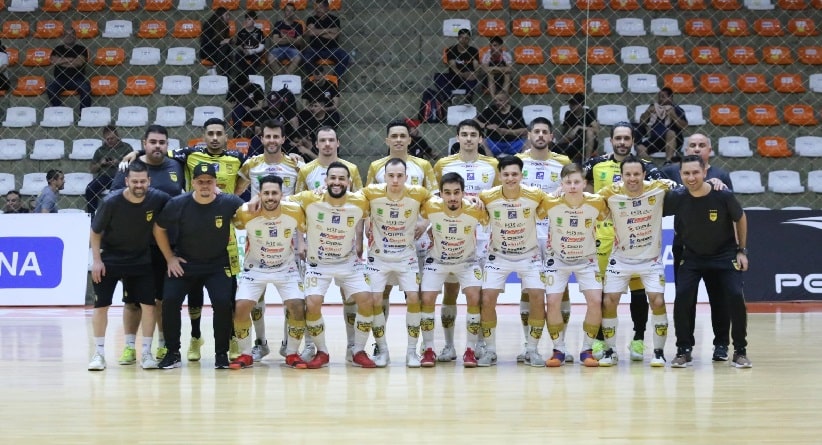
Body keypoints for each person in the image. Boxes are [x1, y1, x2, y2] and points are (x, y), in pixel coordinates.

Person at [122, 118, 245, 361]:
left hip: (225, 235)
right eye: (210, 133)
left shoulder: (237, 158)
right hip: (192, 231)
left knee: (227, 296)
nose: (214, 138)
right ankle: (195, 339)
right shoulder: (190, 155)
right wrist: (135, 152)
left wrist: (229, 196)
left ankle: (230, 340)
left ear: (225, 136)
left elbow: (248, 178)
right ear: (204, 135)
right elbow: (158, 150)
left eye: (219, 133)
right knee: (193, 295)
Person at [583, 123, 665, 361]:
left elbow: (670, 187)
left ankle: (638, 340)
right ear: (611, 140)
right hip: (602, 236)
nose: (621, 142)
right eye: (617, 138)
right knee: (603, 295)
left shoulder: (645, 167)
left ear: (632, 141)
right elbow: (575, 181)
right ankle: (601, 341)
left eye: (626, 138)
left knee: (639, 292)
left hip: (636, 237)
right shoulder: (595, 164)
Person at [153, 163, 245, 369]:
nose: (205, 185)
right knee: (169, 300)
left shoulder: (228, 201)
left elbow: (250, 210)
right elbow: (159, 229)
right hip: (185, 263)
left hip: (216, 264)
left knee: (223, 303)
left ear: (215, 183)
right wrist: (170, 258)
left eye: (209, 182)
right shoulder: (178, 203)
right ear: (193, 182)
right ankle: (173, 352)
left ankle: (221, 354)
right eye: (200, 182)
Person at [663, 155, 752, 369]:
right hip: (691, 256)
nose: (691, 177)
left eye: (695, 172)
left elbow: (740, 218)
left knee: (733, 296)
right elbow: (652, 210)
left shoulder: (722, 195)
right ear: (680, 175)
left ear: (705, 172)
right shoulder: (676, 197)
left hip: (724, 255)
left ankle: (738, 350)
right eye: (686, 173)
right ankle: (684, 350)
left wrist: (742, 250)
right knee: (683, 297)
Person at [110, 125, 186, 361]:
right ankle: (130, 346)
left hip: (168, 245)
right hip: (138, 246)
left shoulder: (177, 165)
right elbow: (115, 202)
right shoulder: (130, 166)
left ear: (167, 145)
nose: (157, 146)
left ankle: (163, 345)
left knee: (163, 300)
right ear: (144, 143)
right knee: (132, 300)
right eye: (153, 142)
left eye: (162, 142)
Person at [87, 162, 171, 371]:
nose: (139, 185)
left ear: (149, 181)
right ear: (127, 181)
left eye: (143, 181)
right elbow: (95, 232)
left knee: (149, 306)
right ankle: (98, 354)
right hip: (110, 260)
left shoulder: (157, 198)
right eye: (135, 181)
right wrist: (96, 261)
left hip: (140, 260)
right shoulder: (111, 202)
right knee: (101, 306)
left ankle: (146, 353)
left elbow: (181, 203)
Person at [289, 161, 372, 368]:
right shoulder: (310, 197)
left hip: (348, 262)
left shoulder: (360, 201)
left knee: (367, 300)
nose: (337, 182)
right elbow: (281, 202)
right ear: (325, 181)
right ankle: (322, 352)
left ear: (349, 182)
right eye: (333, 178)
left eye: (341, 178)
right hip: (319, 264)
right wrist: (255, 198)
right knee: (313, 303)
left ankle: (358, 350)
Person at [598, 156, 675, 367]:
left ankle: (658, 352)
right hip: (620, 259)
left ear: (643, 174)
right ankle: (610, 350)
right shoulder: (610, 192)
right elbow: (585, 199)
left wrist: (714, 183)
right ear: (621, 176)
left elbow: (686, 186)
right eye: (628, 175)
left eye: (636, 174)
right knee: (609, 301)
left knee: (657, 301)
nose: (632, 179)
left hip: (650, 260)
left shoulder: (659, 188)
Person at [235, 120, 302, 363]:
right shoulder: (251, 165)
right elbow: (236, 191)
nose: (272, 140)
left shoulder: (295, 165)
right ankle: (260, 343)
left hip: (289, 234)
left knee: (292, 296)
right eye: (267, 136)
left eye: (276, 136)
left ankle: (288, 344)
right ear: (261, 139)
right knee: (255, 296)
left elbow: (303, 197)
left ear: (283, 139)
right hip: (257, 233)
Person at [433, 119, 498, 362]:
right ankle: (449, 346)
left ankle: (479, 343)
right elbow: (434, 198)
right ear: (457, 138)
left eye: (473, 134)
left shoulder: (492, 165)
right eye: (464, 134)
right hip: (452, 236)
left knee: (478, 294)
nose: (469, 138)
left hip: (482, 237)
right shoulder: (443, 164)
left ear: (481, 139)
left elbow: (500, 197)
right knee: (450, 292)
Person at [477, 156, 550, 367]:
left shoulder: (535, 195)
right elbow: (474, 205)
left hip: (529, 255)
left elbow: (554, 202)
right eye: (506, 174)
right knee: (488, 297)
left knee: (537, 295)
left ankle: (531, 350)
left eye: (514, 174)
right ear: (499, 176)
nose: (510, 178)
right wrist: (475, 200)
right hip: (498, 255)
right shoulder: (487, 196)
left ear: (522, 175)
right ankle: (490, 350)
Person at [229, 175, 308, 369]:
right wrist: (250, 202)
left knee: (298, 306)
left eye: (274, 193)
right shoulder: (246, 212)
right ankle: (246, 354)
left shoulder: (295, 211)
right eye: (266, 193)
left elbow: (311, 205)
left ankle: (291, 353)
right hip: (254, 268)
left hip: (286, 268)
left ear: (282, 194)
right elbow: (231, 220)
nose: (270, 197)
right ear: (259, 194)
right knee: (240, 307)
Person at [365, 120, 437, 330]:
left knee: (416, 292)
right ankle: (380, 342)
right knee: (381, 292)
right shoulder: (376, 167)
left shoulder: (423, 165)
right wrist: (370, 224)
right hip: (385, 240)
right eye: (394, 136)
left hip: (416, 239)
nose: (398, 140)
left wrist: (424, 224)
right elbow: (367, 200)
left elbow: (434, 199)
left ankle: (423, 344)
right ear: (387, 140)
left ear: (409, 139)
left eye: (402, 136)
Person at [361, 158, 431, 367]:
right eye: (391, 175)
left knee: (413, 298)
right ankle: (382, 350)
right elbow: (348, 199)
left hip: (406, 257)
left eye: (399, 176)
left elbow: (440, 202)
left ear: (406, 177)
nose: (395, 180)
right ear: (384, 176)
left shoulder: (418, 193)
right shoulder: (371, 191)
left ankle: (411, 352)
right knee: (374, 301)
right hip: (378, 257)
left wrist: (425, 223)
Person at [515, 117, 572, 363]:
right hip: (526, 232)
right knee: (528, 288)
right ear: (529, 135)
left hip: (556, 232)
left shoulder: (563, 163)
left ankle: (561, 345)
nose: (540, 135)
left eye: (544, 132)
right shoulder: (519, 163)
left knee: (562, 287)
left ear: (551, 137)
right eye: (536, 131)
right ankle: (530, 345)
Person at [541, 163, 609, 368]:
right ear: (561, 184)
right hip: (557, 259)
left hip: (586, 259)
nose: (572, 186)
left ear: (584, 183)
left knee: (596, 301)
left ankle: (587, 349)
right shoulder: (549, 201)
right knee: (552, 302)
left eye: (576, 182)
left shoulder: (596, 203)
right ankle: (559, 349)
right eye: (568, 182)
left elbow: (611, 213)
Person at [419, 173, 488, 367]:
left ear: (463, 193)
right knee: (427, 299)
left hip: (467, 262)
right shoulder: (431, 206)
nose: (452, 198)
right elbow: (416, 197)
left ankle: (470, 350)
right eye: (447, 193)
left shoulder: (475, 209)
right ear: (439, 194)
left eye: (457, 193)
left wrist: (478, 199)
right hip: (438, 261)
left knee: (475, 297)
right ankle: (429, 349)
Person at [295, 126, 362, 193]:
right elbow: (298, 201)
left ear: (338, 143)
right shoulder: (305, 170)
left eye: (331, 140)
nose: (327, 144)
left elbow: (360, 199)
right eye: (322, 140)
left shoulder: (352, 169)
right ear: (316, 144)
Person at [85, 126, 134, 214]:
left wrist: (118, 163)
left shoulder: (126, 147)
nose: (110, 141)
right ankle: (92, 216)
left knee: (117, 193)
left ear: (117, 136)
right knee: (89, 189)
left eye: (112, 138)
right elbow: (92, 169)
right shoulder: (100, 150)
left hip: (121, 176)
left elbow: (133, 165)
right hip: (104, 177)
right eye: (107, 139)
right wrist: (101, 163)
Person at [637, 87, 688, 163]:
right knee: (640, 148)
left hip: (674, 140)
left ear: (670, 97)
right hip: (656, 140)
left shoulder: (677, 109)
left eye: (663, 97)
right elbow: (642, 122)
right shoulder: (654, 107)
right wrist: (648, 113)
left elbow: (684, 126)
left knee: (670, 133)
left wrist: (673, 115)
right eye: (659, 97)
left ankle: (668, 162)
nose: (660, 99)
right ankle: (650, 167)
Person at [302, 0, 350, 79]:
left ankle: (333, 80)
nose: (317, 10)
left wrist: (316, 31)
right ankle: (315, 78)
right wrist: (328, 30)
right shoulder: (311, 19)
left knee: (344, 56)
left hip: (331, 49)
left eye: (320, 7)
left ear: (327, 8)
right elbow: (310, 33)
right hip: (315, 48)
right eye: (316, 7)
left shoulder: (335, 19)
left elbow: (333, 37)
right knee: (305, 57)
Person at [46, 29, 91, 110]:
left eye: (71, 34)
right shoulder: (57, 48)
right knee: (50, 89)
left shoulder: (81, 48)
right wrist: (71, 60)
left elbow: (79, 63)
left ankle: (83, 115)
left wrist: (61, 61)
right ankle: (62, 112)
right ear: (63, 37)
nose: (69, 37)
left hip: (78, 79)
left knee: (86, 89)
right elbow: (53, 61)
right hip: (60, 79)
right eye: (67, 35)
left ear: (75, 37)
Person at [476, 92, 527, 157]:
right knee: (480, 141)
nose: (497, 103)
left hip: (514, 144)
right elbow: (475, 120)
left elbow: (525, 131)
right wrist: (486, 126)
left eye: (500, 100)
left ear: (507, 100)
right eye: (495, 101)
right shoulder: (490, 109)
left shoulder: (515, 111)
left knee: (530, 141)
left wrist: (505, 132)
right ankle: (492, 162)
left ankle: (521, 162)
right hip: (494, 143)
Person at [435, 28, 479, 103]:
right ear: (458, 38)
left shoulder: (473, 51)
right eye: (462, 37)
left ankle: (468, 98)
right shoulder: (451, 50)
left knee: (473, 78)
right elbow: (453, 67)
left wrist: (475, 74)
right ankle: (451, 98)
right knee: (437, 77)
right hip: (454, 77)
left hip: (467, 78)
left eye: (466, 38)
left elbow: (476, 67)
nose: (464, 40)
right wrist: (462, 74)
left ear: (469, 40)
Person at [555, 93, 599, 164]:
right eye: (570, 104)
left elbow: (596, 130)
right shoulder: (569, 114)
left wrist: (578, 127)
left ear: (581, 104)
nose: (571, 106)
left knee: (589, 132)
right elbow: (564, 131)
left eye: (574, 104)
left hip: (588, 141)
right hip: (574, 141)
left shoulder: (588, 113)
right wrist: (563, 139)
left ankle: (587, 160)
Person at [269, 3, 305, 74]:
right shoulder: (278, 24)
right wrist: (291, 40)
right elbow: (275, 41)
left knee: (298, 58)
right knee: (270, 58)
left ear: (294, 12)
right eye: (287, 10)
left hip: (293, 49)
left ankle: (286, 76)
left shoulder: (298, 25)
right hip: (279, 49)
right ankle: (282, 76)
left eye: (291, 10)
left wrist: (285, 37)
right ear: (284, 12)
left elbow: (299, 42)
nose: (289, 12)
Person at [227, 73, 266, 137]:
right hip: (240, 114)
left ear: (248, 82)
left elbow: (260, 106)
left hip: (254, 112)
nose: (241, 87)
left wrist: (250, 109)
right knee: (238, 108)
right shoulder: (233, 87)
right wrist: (232, 106)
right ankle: (237, 132)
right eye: (240, 86)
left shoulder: (256, 87)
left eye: (243, 85)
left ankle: (254, 134)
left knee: (261, 114)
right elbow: (228, 103)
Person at [200, 7, 234, 76]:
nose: (228, 17)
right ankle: (225, 77)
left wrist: (230, 40)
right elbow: (206, 43)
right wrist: (221, 42)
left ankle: (221, 73)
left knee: (227, 53)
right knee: (227, 57)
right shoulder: (208, 25)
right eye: (226, 15)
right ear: (220, 16)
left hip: (220, 52)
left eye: (229, 15)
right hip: (208, 51)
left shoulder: (225, 26)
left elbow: (226, 39)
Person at [235, 11, 266, 76]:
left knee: (257, 57)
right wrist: (243, 50)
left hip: (255, 52)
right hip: (244, 52)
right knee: (237, 55)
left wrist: (252, 51)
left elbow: (262, 46)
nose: (247, 21)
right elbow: (238, 44)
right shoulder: (241, 32)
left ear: (254, 21)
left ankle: (248, 74)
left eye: (249, 19)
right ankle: (249, 73)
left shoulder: (259, 32)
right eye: (246, 19)